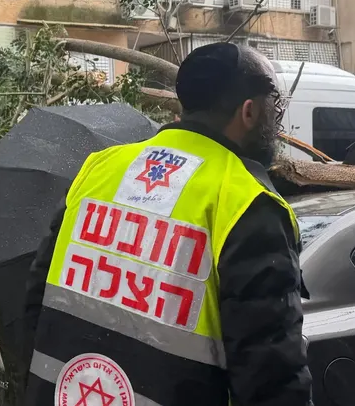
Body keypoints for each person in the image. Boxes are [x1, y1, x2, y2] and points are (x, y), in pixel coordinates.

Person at [19, 42, 312, 406]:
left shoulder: (101, 167)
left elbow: (36, 300)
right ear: (249, 112)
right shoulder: (247, 202)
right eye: (274, 108)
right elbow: (271, 377)